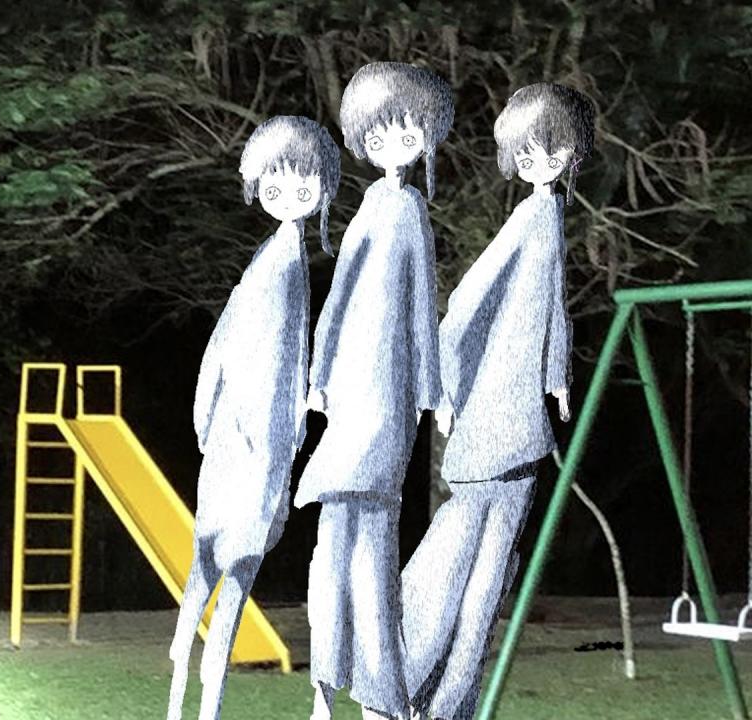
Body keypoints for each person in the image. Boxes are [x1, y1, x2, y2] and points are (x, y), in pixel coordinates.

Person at [400, 82, 595, 720]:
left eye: (553, 151)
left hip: (513, 424)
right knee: (466, 576)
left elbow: (550, 306)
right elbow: (462, 305)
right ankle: (418, 687)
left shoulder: (548, 214)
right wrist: (447, 391)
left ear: (571, 153)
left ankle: (443, 701)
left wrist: (556, 374)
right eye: (529, 153)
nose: (542, 163)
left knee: (485, 582)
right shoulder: (530, 217)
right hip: (496, 426)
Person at [167, 115, 339, 720]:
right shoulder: (273, 261)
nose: (288, 196)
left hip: (253, 447)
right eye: (275, 184)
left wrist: (281, 430)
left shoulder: (287, 265)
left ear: (321, 191)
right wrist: (217, 409)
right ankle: (188, 699)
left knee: (224, 581)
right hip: (239, 445)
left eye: (303, 186)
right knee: (213, 579)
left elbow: (285, 360)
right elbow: (234, 342)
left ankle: (199, 703)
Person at [297, 61, 452, 720]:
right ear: (364, 139)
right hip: (357, 392)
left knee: (365, 548)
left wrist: (433, 390)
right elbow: (338, 298)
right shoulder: (370, 208)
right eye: (382, 135)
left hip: (387, 396)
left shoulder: (410, 210)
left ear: (425, 140)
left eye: (407, 135)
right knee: (343, 546)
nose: (394, 147)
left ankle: (373, 693)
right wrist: (319, 377)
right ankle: (334, 689)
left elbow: (421, 306)